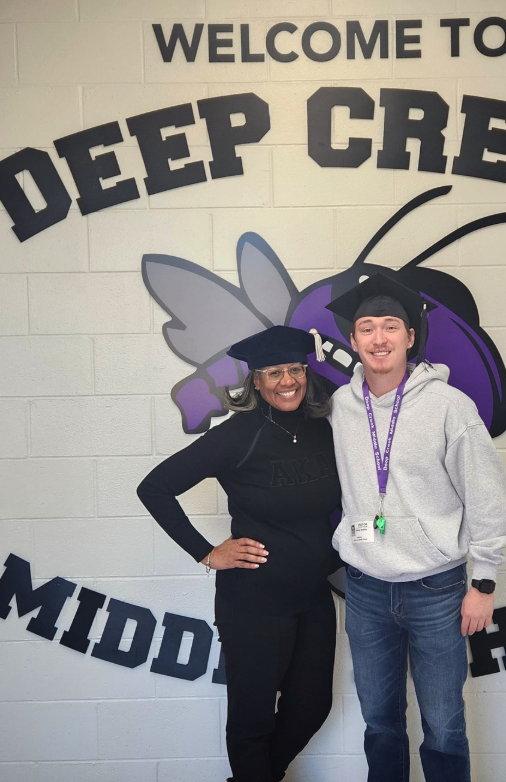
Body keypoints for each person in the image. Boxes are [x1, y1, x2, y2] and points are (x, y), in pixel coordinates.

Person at [325, 273, 506, 782]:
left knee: (444, 725)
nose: (379, 338)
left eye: (391, 326)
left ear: (411, 336)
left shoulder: (449, 407)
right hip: (365, 590)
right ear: (352, 341)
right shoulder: (341, 409)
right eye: (366, 328)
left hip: (437, 591)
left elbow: (487, 499)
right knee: (380, 723)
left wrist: (484, 582)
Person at [137, 325, 341, 782]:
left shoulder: (323, 429)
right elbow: (154, 488)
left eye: (295, 369)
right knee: (252, 721)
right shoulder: (237, 436)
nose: (286, 381)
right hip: (252, 603)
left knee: (312, 706)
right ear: (255, 382)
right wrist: (206, 553)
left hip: (312, 598)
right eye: (273, 373)